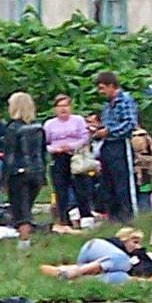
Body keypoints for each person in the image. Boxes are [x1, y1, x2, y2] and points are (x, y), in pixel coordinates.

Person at [0, 92, 50, 244]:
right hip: (37, 172)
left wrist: (5, 177)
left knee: (21, 212)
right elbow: (43, 152)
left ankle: (24, 244)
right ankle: (25, 241)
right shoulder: (39, 127)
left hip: (18, 173)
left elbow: (10, 155)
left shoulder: (13, 128)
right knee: (28, 207)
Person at [92, 72, 140, 223]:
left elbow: (130, 123)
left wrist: (110, 131)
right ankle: (113, 215)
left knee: (122, 180)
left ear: (112, 86)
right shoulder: (107, 105)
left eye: (102, 88)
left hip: (120, 144)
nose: (100, 92)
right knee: (108, 181)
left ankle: (128, 214)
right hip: (106, 145)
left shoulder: (125, 101)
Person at [39, 224, 152, 282]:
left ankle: (67, 273)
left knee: (120, 277)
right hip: (94, 249)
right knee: (122, 261)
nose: (137, 246)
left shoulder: (143, 256)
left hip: (95, 261)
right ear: (125, 239)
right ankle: (75, 272)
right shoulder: (116, 248)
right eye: (135, 242)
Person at [44, 94, 92, 230]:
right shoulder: (49, 124)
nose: (63, 109)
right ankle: (63, 219)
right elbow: (45, 143)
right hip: (58, 157)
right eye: (60, 106)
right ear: (55, 109)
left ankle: (85, 217)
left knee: (81, 187)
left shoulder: (78, 120)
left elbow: (85, 137)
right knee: (60, 188)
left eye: (66, 105)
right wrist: (55, 149)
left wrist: (71, 146)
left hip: (76, 156)